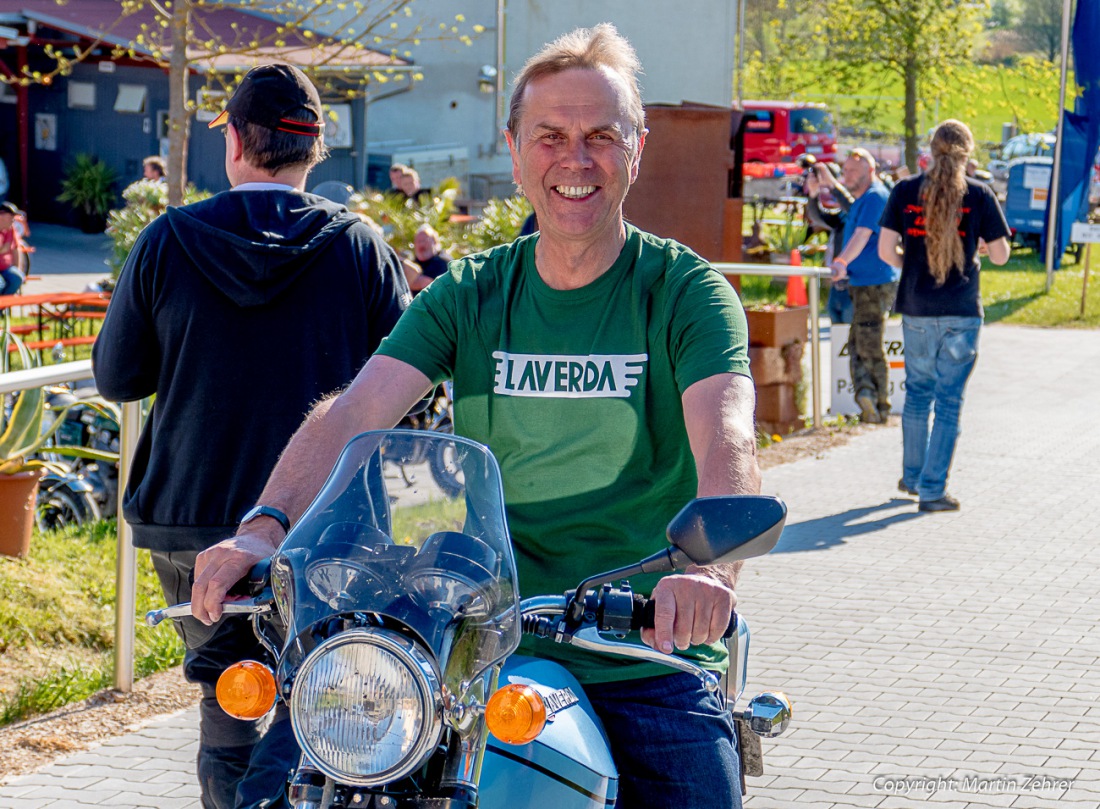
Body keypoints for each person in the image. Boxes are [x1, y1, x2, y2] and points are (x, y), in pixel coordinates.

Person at [192, 24, 758, 809]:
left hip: (638, 643)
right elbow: (354, 410)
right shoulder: (473, 290)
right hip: (471, 641)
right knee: (286, 782)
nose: (575, 158)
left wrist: (707, 570)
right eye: (551, 135)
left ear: (636, 147)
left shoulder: (684, 292)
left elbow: (726, 433)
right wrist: (265, 525)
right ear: (516, 148)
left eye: (601, 135)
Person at [92, 64, 410, 809]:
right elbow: (409, 384)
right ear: (315, 150)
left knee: (228, 698)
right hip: (327, 522)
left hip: (190, 515)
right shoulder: (361, 246)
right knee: (331, 693)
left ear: (234, 141)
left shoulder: (169, 240)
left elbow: (116, 377)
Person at [879, 119, 1010, 513]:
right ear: (967, 153)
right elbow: (1001, 254)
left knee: (918, 393)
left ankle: (914, 477)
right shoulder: (980, 194)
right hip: (961, 311)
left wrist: (914, 262)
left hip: (917, 307)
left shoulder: (904, 191)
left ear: (931, 150)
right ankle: (933, 491)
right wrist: (979, 250)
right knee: (949, 401)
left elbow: (887, 252)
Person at [824, 148, 899, 423]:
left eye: (853, 172)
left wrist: (841, 261)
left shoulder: (875, 196)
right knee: (858, 342)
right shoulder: (863, 199)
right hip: (863, 282)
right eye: (845, 171)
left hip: (874, 282)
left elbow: (861, 235)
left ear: (870, 171)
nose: (847, 176)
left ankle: (879, 403)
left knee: (868, 343)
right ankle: (867, 396)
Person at [804, 161, 854, 324]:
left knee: (857, 342)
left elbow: (854, 209)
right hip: (838, 284)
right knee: (838, 342)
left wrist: (831, 184)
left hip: (858, 286)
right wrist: (813, 193)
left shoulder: (871, 203)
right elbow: (820, 217)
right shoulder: (845, 216)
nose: (847, 177)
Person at [403, 224, 452, 292]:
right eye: (418, 241)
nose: (421, 245)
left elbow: (426, 283)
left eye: (425, 240)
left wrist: (402, 261)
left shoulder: (443, 261)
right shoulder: (415, 262)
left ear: (435, 242)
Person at [0, 201, 26, 295]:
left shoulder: (11, 229)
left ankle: (3, 306)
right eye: (11, 216)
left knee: (17, 278)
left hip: (5, 268)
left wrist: (17, 268)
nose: (13, 220)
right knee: (0, 284)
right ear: (1, 215)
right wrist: (3, 249)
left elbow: (16, 249)